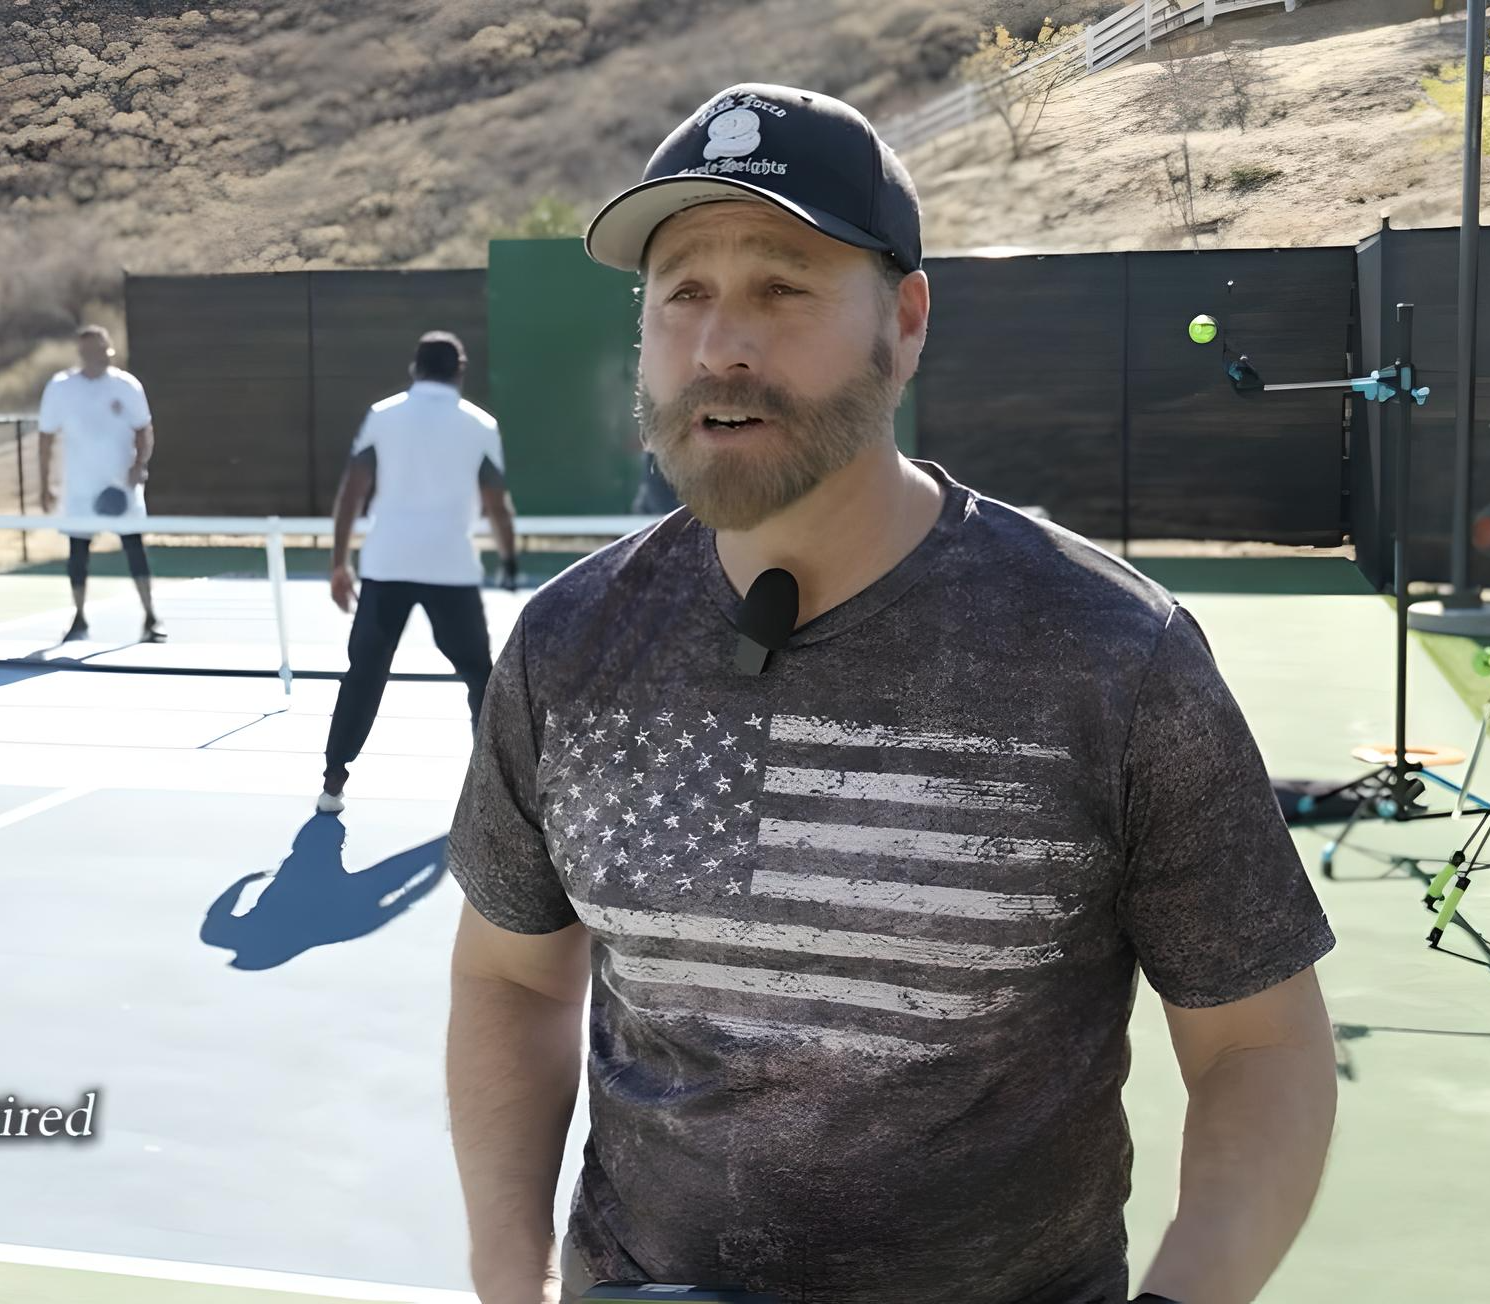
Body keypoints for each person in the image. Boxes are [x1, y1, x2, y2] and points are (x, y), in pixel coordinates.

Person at [444, 84, 1336, 1304]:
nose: (721, 346)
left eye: (782, 286)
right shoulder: (567, 643)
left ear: (905, 321)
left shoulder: (1114, 651)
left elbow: (1261, 1044)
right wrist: (511, 1267)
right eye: (683, 294)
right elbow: (510, 972)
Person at [321, 331, 518, 813]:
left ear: (415, 368)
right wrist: (510, 558)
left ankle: (333, 782)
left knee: (365, 672)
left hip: (387, 565)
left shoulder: (383, 417)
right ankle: (490, 792)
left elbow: (352, 489)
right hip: (451, 567)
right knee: (478, 676)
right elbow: (496, 501)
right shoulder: (480, 425)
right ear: (460, 370)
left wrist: (338, 561)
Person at [38, 324, 164, 644]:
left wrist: (139, 466)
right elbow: (46, 436)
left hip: (122, 487)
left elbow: (144, 429)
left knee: (134, 548)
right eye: (90, 350)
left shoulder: (127, 385)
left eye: (103, 350)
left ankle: (151, 616)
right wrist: (44, 484)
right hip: (80, 489)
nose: (98, 356)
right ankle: (79, 618)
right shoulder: (61, 387)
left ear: (110, 350)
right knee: (77, 552)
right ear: (81, 353)